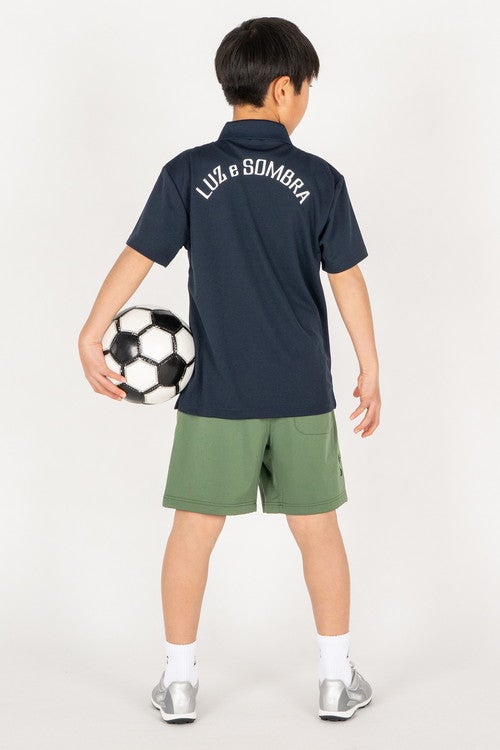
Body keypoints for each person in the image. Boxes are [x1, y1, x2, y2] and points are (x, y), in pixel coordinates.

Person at [78, 16, 381, 725]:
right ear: (284, 90)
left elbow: (138, 256)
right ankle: (335, 679)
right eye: (307, 90)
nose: (306, 103)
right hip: (301, 391)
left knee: (193, 532)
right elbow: (347, 279)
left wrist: (93, 330)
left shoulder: (188, 172)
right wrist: (371, 366)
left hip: (216, 393)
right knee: (319, 532)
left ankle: (179, 682)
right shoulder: (320, 178)